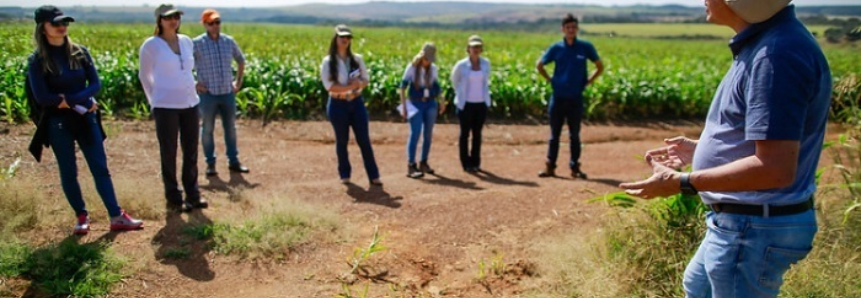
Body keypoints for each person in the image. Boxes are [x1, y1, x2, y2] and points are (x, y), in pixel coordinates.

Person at [620, 1, 831, 297]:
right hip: (745, 221)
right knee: (697, 287)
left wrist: (682, 182)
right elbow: (766, 143)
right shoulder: (769, 43)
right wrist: (702, 151)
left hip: (752, 226)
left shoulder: (776, 55)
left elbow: (775, 168)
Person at [27, 5, 142, 234]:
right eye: (56, 23)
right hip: (58, 122)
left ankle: (116, 215)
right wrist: (80, 100)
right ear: (43, 28)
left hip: (85, 118)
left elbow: (96, 84)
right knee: (68, 171)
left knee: (100, 168)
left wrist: (70, 99)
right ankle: (81, 217)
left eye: (65, 23)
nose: (62, 27)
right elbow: (42, 97)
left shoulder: (80, 52)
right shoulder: (37, 60)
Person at [139, 4, 207, 212]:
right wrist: (155, 101)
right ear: (159, 20)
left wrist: (193, 88)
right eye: (168, 17)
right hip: (165, 106)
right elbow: (145, 76)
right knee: (169, 152)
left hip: (190, 103)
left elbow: (187, 71)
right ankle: (174, 198)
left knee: (191, 150)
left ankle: (193, 194)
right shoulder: (151, 45)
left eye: (176, 16)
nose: (173, 21)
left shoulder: (186, 41)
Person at [536, 13, 604, 179]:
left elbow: (599, 66)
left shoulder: (585, 47)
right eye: (568, 27)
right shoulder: (556, 48)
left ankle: (575, 168)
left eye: (573, 27)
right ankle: (550, 167)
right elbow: (540, 65)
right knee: (554, 135)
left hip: (575, 98)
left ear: (577, 29)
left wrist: (589, 81)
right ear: (563, 29)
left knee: (575, 135)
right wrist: (551, 80)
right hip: (558, 97)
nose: (571, 30)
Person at [320, 24, 382, 186]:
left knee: (364, 140)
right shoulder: (328, 62)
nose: (345, 40)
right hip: (337, 104)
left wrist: (358, 83)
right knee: (342, 140)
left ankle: (374, 175)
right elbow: (330, 86)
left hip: (356, 103)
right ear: (336, 39)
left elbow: (366, 80)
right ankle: (345, 174)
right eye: (342, 37)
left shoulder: (357, 59)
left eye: (348, 37)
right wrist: (351, 86)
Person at [193, 9, 249, 177]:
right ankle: (210, 164)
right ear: (204, 24)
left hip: (227, 92)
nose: (215, 26)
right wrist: (194, 83)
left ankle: (234, 161)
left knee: (230, 129)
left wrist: (238, 82)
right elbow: (183, 64)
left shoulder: (228, 41)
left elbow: (240, 60)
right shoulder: (196, 43)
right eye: (211, 23)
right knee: (207, 129)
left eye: (217, 22)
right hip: (208, 94)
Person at [400, 42, 442, 178]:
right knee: (415, 133)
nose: (427, 61)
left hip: (430, 103)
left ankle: (424, 162)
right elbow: (402, 87)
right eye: (426, 58)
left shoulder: (433, 69)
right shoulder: (412, 68)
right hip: (415, 103)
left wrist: (441, 101)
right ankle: (411, 165)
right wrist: (404, 106)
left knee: (428, 134)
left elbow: (437, 86)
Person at [451, 35, 491, 173]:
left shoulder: (486, 63)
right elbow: (454, 81)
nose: (476, 49)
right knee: (464, 134)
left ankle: (476, 161)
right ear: (468, 48)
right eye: (473, 46)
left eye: (478, 46)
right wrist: (460, 94)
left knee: (477, 134)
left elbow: (486, 81)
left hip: (481, 103)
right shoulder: (461, 65)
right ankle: (466, 162)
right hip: (465, 104)